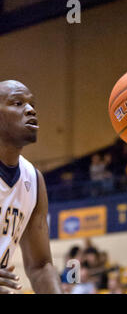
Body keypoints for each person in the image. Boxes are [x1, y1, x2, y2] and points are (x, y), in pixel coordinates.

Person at [0, 80, 62, 294]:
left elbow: (40, 266)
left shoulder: (33, 179)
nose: (30, 109)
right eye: (17, 103)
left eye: (32, 104)